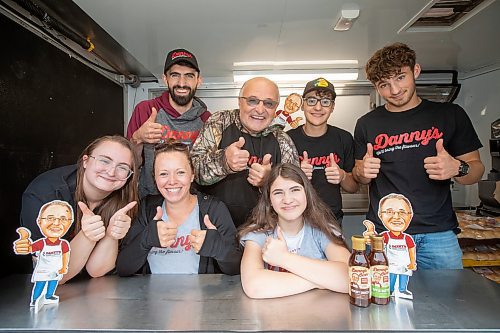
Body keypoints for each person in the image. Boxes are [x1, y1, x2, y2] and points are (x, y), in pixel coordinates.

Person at [353, 42, 485, 269]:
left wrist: (457, 168)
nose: (394, 90)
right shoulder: (367, 123)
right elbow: (359, 177)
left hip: (439, 235)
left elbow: (476, 170)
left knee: (448, 300)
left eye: (400, 78)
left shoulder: (449, 114)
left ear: (415, 71)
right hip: (385, 234)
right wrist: (362, 172)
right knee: (385, 299)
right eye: (384, 84)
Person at [20, 135, 139, 282]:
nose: (111, 172)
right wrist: (87, 236)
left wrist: (111, 236)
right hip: (34, 291)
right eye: (104, 161)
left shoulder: (124, 199)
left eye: (122, 167)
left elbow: (97, 270)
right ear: (85, 161)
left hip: (89, 290)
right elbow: (50, 275)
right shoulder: (46, 194)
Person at [116, 140, 241, 276]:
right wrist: (145, 240)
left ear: (192, 175)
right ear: (155, 178)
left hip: (202, 297)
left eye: (180, 172)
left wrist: (218, 249)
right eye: (163, 174)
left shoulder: (214, 209)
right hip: (153, 296)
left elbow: (236, 268)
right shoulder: (147, 209)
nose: (172, 181)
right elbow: (123, 268)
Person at [191, 77, 299, 227]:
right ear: (239, 101)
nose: (260, 110)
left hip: (261, 231)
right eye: (253, 101)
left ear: (275, 108)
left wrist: (269, 181)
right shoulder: (220, 122)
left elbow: (295, 195)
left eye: (268, 103)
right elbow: (194, 172)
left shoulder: (283, 140)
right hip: (212, 227)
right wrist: (224, 162)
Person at [238, 163, 350, 299]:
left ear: (307, 194)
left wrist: (284, 258)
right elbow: (254, 286)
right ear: (270, 200)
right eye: (278, 193)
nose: (288, 199)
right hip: (274, 317)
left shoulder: (323, 230)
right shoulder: (258, 234)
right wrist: (322, 280)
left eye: (295, 190)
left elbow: (350, 277)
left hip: (319, 316)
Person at [127, 48, 211, 198]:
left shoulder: (206, 119)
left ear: (199, 80)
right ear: (165, 79)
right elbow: (128, 164)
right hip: (149, 201)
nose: (181, 83)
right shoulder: (146, 109)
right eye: (175, 75)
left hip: (190, 202)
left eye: (189, 76)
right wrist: (138, 138)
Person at [287, 78, 359, 225]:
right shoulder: (287, 139)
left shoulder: (344, 138)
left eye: (325, 101)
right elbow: (275, 187)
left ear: (332, 107)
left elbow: (353, 187)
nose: (318, 108)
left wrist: (343, 176)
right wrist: (296, 176)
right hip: (295, 220)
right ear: (303, 104)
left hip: (332, 220)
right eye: (312, 100)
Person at [14, 200, 73, 307]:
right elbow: (30, 248)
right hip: (42, 269)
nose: (56, 223)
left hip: (56, 269)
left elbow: (66, 255)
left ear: (70, 222)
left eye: (63, 219)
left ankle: (49, 296)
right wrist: (24, 246)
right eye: (50, 218)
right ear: (39, 221)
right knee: (40, 284)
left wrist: (64, 267)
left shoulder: (64, 244)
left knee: (53, 283)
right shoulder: (42, 243)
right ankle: (35, 299)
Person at [378, 193, 416, 299]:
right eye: (389, 212)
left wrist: (412, 263)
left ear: (410, 216)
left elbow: (411, 250)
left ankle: (402, 290)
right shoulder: (385, 236)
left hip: (405, 264)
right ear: (380, 215)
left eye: (402, 212)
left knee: (404, 277)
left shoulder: (407, 238)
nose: (396, 217)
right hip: (391, 264)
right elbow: (377, 248)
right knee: (391, 277)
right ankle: (389, 290)